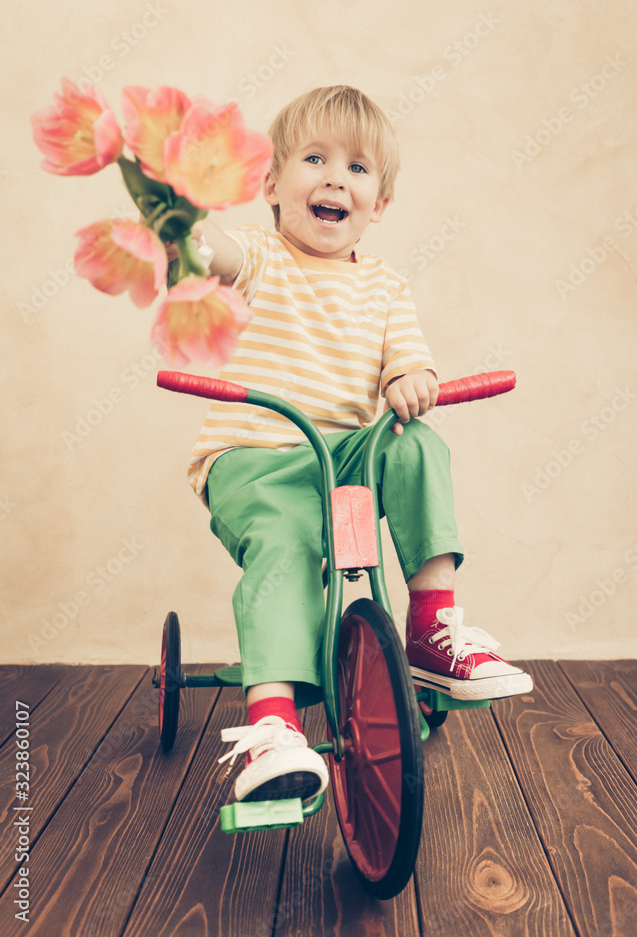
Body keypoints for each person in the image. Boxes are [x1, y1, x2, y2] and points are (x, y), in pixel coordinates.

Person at [182, 86, 532, 804]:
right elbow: (209, 253)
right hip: (255, 458)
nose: (336, 177)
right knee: (283, 545)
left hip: (342, 457)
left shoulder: (384, 287)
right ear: (273, 186)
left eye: (358, 168)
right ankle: (273, 729)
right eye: (314, 159)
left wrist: (410, 381)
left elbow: (410, 361)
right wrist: (179, 225)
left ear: (379, 205)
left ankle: (433, 630)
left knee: (413, 442)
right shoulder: (260, 256)